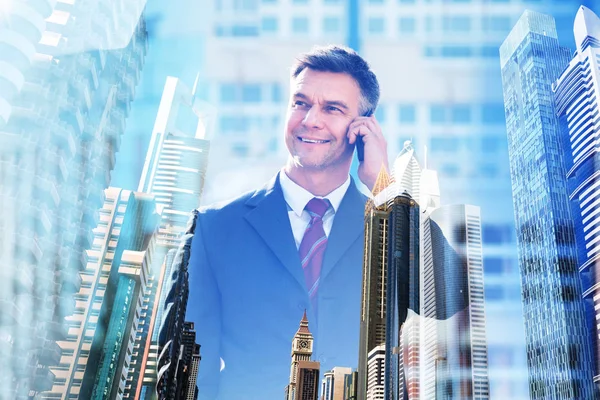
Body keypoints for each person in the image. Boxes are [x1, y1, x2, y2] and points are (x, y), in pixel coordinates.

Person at [187, 45, 388, 399]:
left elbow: (450, 298)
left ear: (361, 128)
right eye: (301, 103)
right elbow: (189, 366)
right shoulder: (214, 229)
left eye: (332, 108)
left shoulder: (384, 227)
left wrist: (384, 186)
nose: (310, 119)